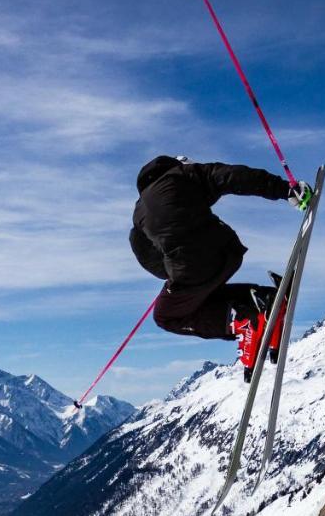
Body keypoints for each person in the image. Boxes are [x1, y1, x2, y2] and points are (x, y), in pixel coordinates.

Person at [131, 156, 311, 380]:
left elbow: (147, 258)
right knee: (199, 294)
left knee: (166, 316)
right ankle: (265, 299)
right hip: (229, 251)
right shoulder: (185, 175)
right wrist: (284, 189)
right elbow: (232, 176)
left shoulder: (139, 215)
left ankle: (243, 320)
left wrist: (174, 276)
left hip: (190, 268)